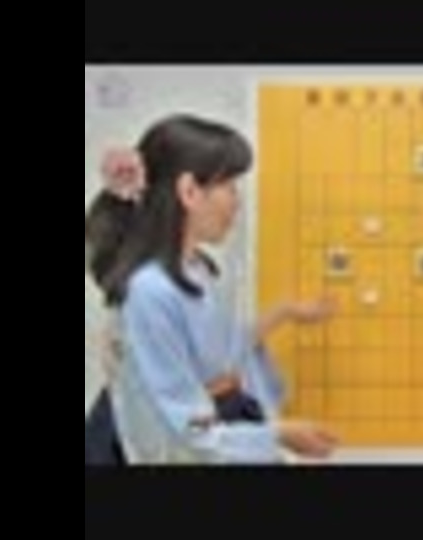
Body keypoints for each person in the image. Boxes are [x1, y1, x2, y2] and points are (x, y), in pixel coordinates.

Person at [84, 114, 338, 464]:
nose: (237, 200)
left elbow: (220, 349)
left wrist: (284, 312)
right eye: (229, 185)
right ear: (189, 191)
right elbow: (183, 434)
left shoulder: (196, 269)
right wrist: (277, 434)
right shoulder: (150, 291)